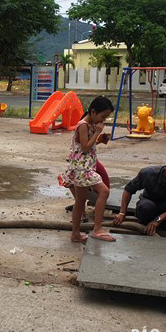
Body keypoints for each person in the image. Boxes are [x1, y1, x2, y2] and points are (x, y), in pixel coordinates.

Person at [62, 96, 115, 243]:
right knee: (104, 191)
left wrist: (99, 140)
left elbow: (85, 145)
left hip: (84, 165)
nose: (102, 121)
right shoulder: (83, 125)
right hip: (82, 168)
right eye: (102, 116)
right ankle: (97, 229)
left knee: (80, 202)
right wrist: (97, 132)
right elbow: (85, 148)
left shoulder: (90, 124)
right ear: (93, 111)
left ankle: (75, 234)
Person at [113, 158, 166, 235]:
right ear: (165, 170)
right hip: (151, 205)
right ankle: (147, 224)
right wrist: (122, 212)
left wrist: (159, 219)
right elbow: (128, 190)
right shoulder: (148, 173)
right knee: (145, 207)